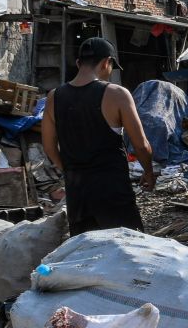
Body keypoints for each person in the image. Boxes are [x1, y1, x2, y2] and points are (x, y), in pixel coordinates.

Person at [42, 37, 156, 236]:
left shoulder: (54, 96)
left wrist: (68, 170)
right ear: (106, 62)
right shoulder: (117, 94)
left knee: (87, 252)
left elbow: (49, 146)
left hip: (77, 195)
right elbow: (141, 145)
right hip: (113, 191)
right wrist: (148, 172)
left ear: (79, 63)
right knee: (127, 248)